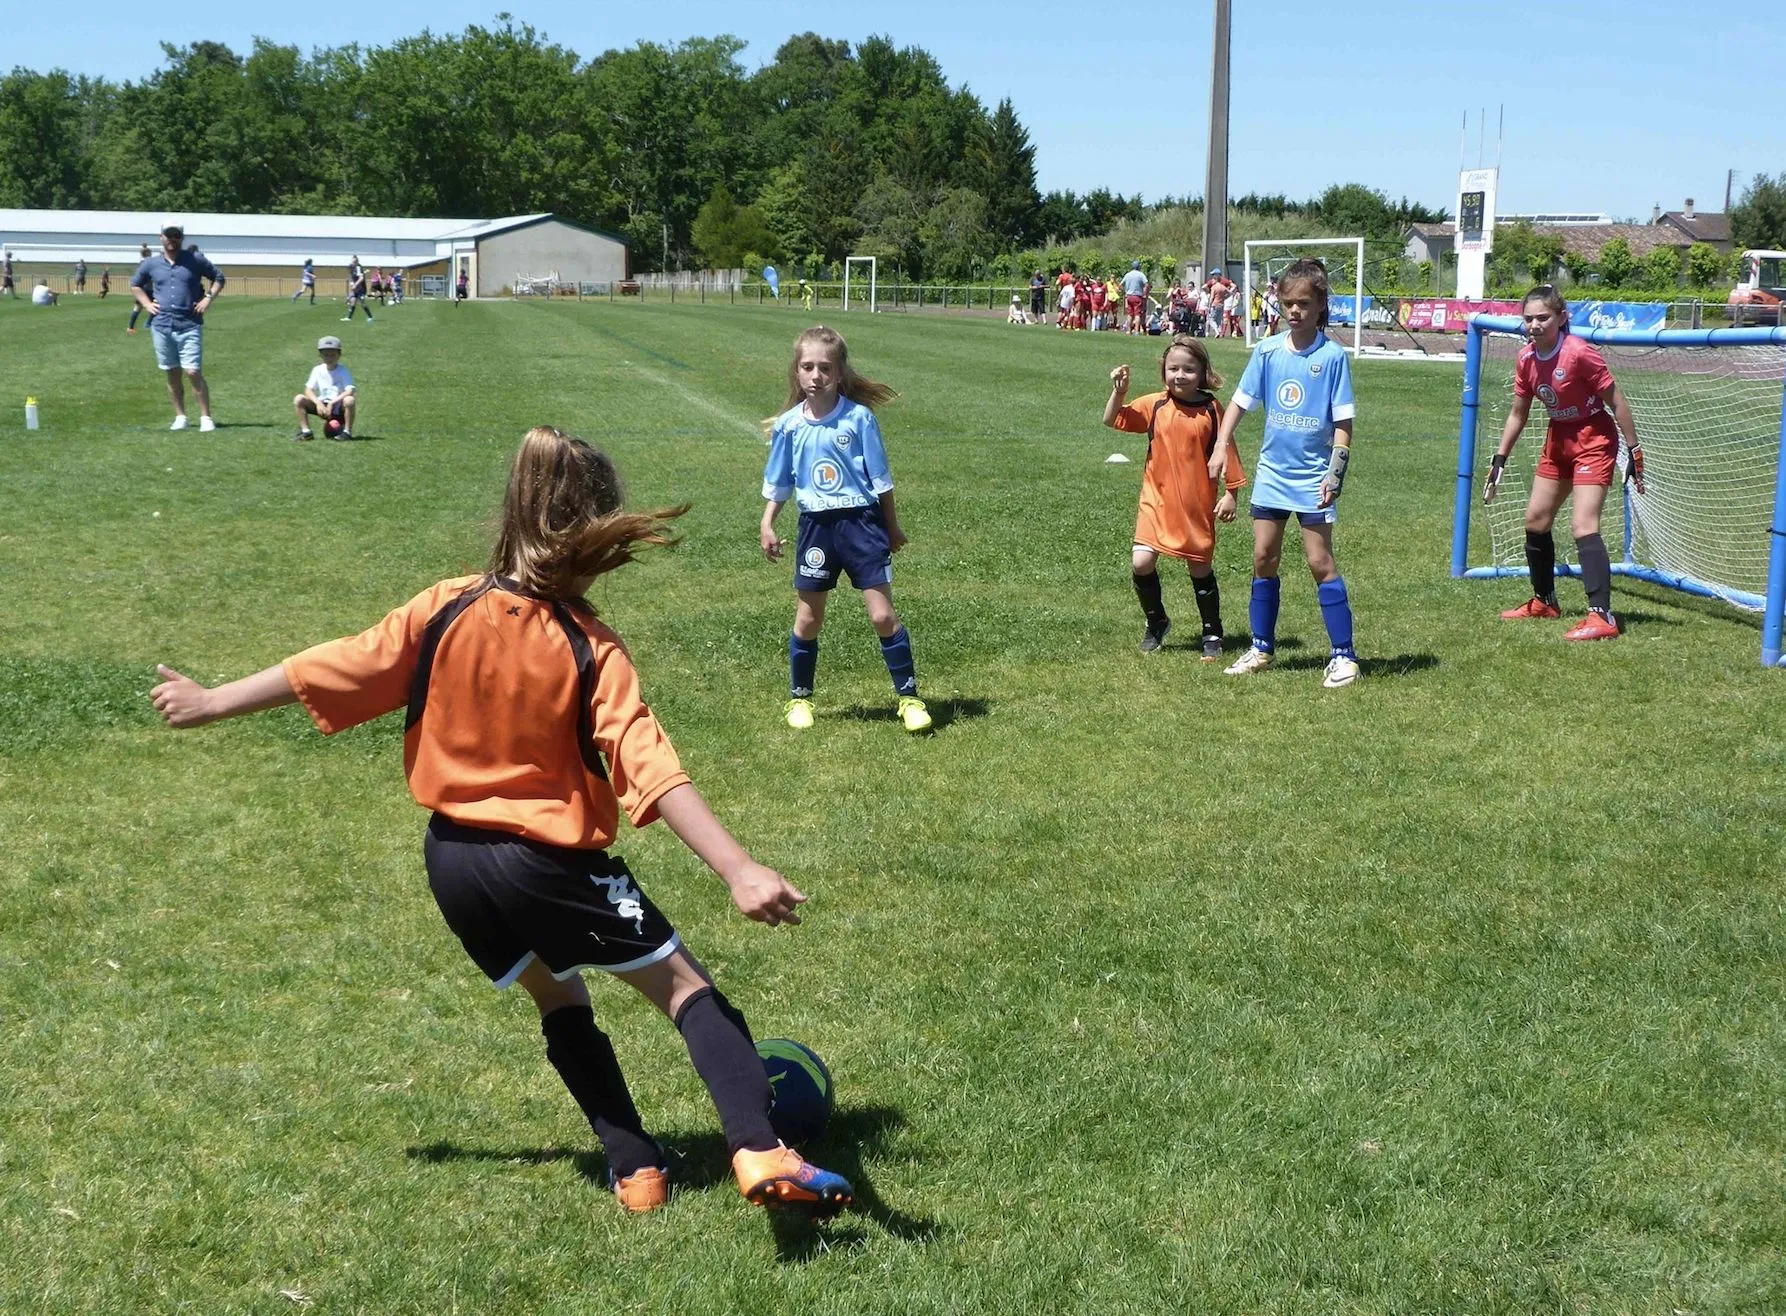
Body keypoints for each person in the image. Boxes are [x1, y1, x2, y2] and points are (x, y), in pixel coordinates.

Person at [148, 427, 855, 1218]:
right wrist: (738, 868)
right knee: (689, 991)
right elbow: (647, 763)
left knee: (561, 1002)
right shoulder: (591, 648)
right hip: (545, 863)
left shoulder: (442, 608)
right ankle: (760, 1150)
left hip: (453, 863)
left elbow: (335, 664)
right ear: (593, 534)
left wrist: (212, 701)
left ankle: (636, 1171)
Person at [759, 326, 932, 734]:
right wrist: (768, 522)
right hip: (816, 529)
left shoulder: (858, 419)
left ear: (839, 374)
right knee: (808, 619)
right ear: (796, 373)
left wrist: (891, 528)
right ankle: (799, 700)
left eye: (825, 367)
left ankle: (909, 698)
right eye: (808, 367)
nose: (816, 375)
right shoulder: (789, 426)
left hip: (861, 525)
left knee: (883, 615)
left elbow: (882, 481)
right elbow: (780, 481)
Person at [1209, 257, 1360, 688]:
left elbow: (1344, 423)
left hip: (1314, 477)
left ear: (1320, 306)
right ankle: (1260, 647)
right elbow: (1239, 402)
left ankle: (1345, 655)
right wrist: (1221, 444)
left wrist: (1335, 473)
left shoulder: (1332, 357)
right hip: (1273, 474)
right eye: (1288, 303)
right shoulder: (1268, 350)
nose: (1295, 311)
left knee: (1319, 562)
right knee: (1263, 558)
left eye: (1304, 304)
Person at [1482, 284, 1646, 641]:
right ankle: (1544, 601)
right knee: (1535, 520)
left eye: (1543, 317)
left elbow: (1616, 400)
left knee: (1583, 525)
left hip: (1594, 439)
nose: (1535, 325)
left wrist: (1634, 450)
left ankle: (1602, 616)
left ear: (1561, 318)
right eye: (1529, 319)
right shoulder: (1525, 359)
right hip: (1558, 440)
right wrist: (1500, 459)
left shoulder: (1579, 353)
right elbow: (1517, 414)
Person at [1106, 335, 1246, 658]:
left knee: (1199, 569)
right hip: (1156, 501)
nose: (1179, 375)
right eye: (1173, 369)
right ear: (1164, 372)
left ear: (1203, 373)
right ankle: (1156, 621)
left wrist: (1231, 494)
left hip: (1196, 505)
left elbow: (1229, 452)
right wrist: (1120, 392)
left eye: (1188, 369)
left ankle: (1212, 631)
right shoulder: (1156, 404)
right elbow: (1112, 418)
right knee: (1141, 561)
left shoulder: (1212, 410)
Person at [130, 220, 224, 432]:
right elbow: (135, 285)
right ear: (161, 237)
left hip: (189, 323)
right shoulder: (150, 264)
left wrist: (208, 298)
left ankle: (206, 417)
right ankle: (180, 416)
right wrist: (146, 304)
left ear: (182, 238)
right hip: (162, 325)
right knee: (172, 372)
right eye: (168, 235)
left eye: (176, 236)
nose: (172, 239)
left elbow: (219, 277)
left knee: (192, 371)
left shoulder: (195, 260)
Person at [293, 334, 356, 441]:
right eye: (326, 355)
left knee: (350, 400)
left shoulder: (343, 370)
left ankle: (347, 432)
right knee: (299, 399)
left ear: (339, 355)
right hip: (322, 405)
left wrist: (332, 403)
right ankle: (306, 432)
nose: (329, 358)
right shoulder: (317, 370)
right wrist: (318, 403)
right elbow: (308, 389)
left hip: (338, 405)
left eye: (333, 355)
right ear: (320, 355)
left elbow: (350, 390)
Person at [1121, 260, 1150, 335]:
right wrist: (1144, 293)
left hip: (1129, 296)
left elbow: (1121, 285)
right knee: (1137, 314)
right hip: (1137, 296)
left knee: (1130, 314)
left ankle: (1129, 330)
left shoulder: (1128, 274)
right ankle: (1136, 331)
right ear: (1138, 266)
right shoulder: (1141, 275)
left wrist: (1125, 292)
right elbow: (1147, 284)